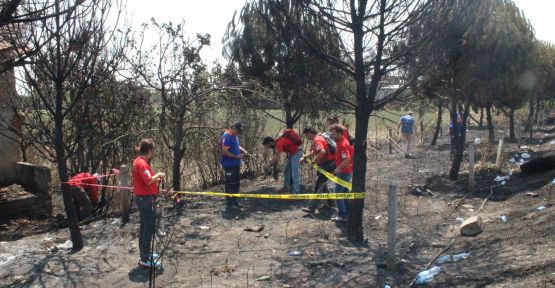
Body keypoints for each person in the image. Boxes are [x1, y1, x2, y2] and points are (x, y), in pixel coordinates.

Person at [132, 139, 166, 269]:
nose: (154, 153)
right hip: (146, 200)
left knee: (144, 227)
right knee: (148, 228)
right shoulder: (142, 164)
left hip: (143, 198)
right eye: (153, 151)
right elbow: (148, 180)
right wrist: (158, 175)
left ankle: (144, 254)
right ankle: (144, 259)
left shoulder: (137, 161)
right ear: (150, 150)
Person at [300, 127, 336, 214]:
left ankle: (311, 207)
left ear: (309, 133)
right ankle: (331, 203)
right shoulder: (320, 137)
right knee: (323, 184)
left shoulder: (317, 139)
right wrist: (305, 157)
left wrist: (314, 161)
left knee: (318, 184)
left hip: (327, 164)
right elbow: (314, 152)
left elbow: (322, 151)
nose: (306, 137)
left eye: (306, 135)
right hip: (330, 163)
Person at [263, 129, 303, 194]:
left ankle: (296, 193)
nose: (268, 148)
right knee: (286, 171)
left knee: (294, 173)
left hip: (297, 153)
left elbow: (277, 157)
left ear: (270, 143)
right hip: (293, 153)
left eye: (267, 146)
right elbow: (276, 156)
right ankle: (286, 188)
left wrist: (268, 165)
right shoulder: (278, 142)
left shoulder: (279, 143)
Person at [220, 122, 249, 212]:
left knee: (236, 183)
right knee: (230, 183)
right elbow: (225, 151)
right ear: (233, 128)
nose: (239, 132)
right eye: (238, 130)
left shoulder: (235, 136)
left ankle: (235, 202)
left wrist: (243, 150)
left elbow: (237, 145)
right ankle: (229, 203)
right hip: (229, 164)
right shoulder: (226, 136)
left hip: (236, 164)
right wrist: (236, 156)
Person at [329, 124, 353, 222]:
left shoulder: (343, 144)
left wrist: (338, 169)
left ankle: (342, 215)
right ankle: (347, 213)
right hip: (346, 171)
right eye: (331, 134)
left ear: (340, 133)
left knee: (337, 193)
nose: (332, 136)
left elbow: (347, 159)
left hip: (344, 172)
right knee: (344, 193)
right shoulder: (340, 142)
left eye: (334, 134)